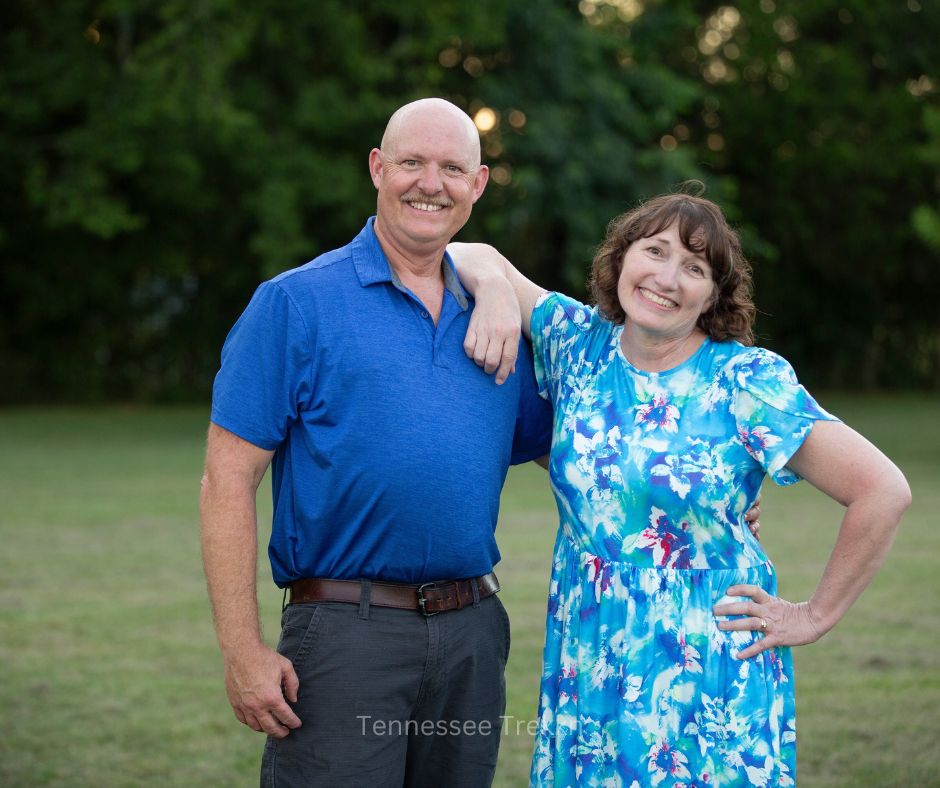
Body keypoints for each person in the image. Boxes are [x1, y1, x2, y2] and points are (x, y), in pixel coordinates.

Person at [450, 189, 911, 786]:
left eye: (694, 268)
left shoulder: (745, 380)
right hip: (590, 651)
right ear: (621, 258)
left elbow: (883, 490)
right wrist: (492, 295)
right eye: (655, 251)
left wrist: (814, 615)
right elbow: (468, 251)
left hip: (707, 666)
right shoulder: (579, 346)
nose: (668, 277)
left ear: (713, 294)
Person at [199, 98, 555, 787]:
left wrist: (695, 497)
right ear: (377, 168)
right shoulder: (295, 304)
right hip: (344, 634)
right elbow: (226, 479)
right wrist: (241, 650)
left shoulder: (497, 322)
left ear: (477, 186)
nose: (431, 183)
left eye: (453, 167)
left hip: (473, 634)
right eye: (412, 162)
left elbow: (574, 456)